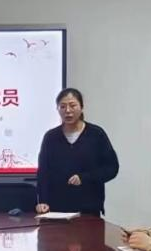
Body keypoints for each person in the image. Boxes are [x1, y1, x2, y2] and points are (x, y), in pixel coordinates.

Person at [34, 88, 119, 216]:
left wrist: (85, 178)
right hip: (56, 210)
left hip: (89, 208)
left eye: (72, 105)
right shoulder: (51, 137)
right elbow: (43, 172)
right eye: (63, 107)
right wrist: (42, 201)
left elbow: (111, 168)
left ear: (81, 107)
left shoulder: (96, 134)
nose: (68, 110)